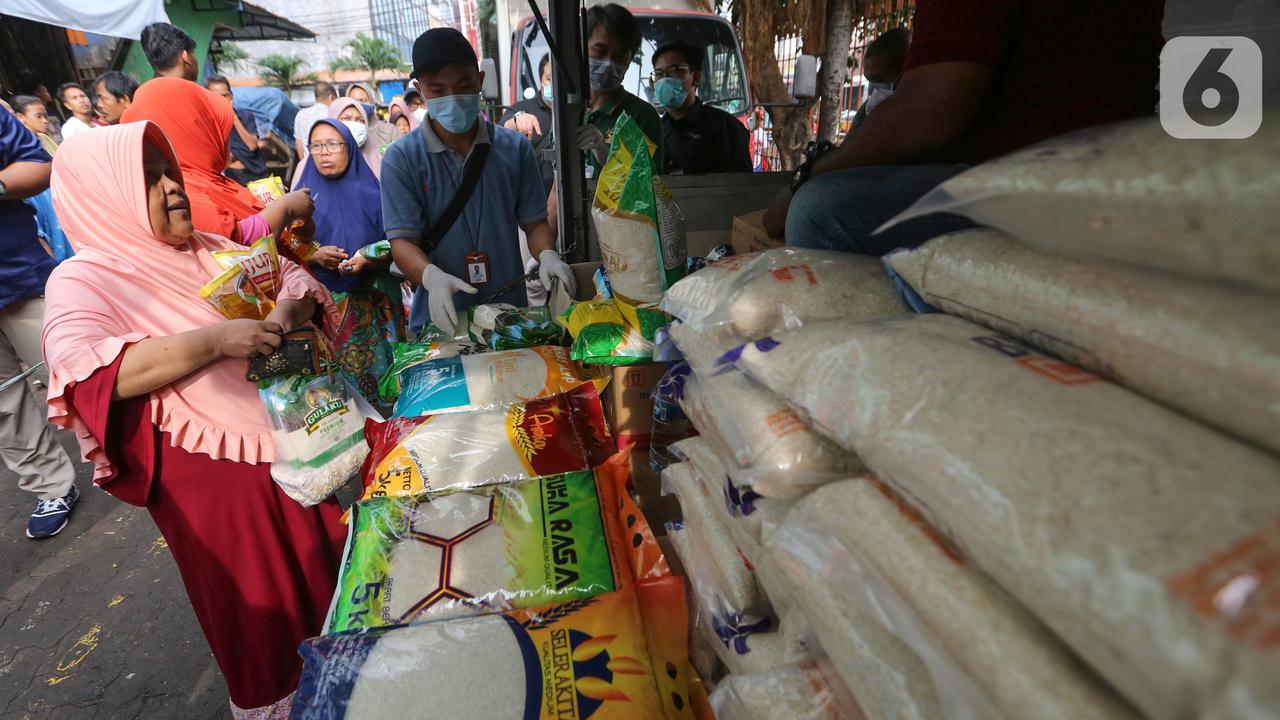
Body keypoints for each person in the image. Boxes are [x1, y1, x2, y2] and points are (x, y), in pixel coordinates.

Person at [42, 121, 345, 717]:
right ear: (106, 193)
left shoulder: (209, 247)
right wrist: (214, 342)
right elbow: (83, 371)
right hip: (221, 500)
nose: (171, 186)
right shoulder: (84, 279)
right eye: (148, 177)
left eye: (170, 171)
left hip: (307, 453)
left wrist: (280, 318)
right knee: (270, 626)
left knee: (341, 589)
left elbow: (290, 277)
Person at [763, 0, 1166, 254]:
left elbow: (926, 116)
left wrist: (804, 178)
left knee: (820, 211)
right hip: (1106, 166)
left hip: (1044, 181)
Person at [382, 28, 576, 336]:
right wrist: (431, 277)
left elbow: (535, 223)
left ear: (480, 81)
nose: (452, 97)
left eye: (463, 85)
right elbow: (402, 242)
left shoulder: (515, 149)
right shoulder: (401, 159)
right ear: (420, 91)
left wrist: (548, 255)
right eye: (437, 89)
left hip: (508, 317)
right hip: (442, 318)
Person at [0, 108, 80, 540]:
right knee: (3, 405)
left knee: (73, 371)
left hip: (18, 274)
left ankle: (129, 453)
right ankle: (51, 487)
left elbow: (39, 164)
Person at [292, 119, 405, 406]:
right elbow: (283, 243)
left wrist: (367, 257)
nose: (323, 152)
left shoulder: (376, 192)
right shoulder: (300, 198)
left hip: (378, 303)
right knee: (343, 387)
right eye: (315, 145)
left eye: (332, 144)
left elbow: (401, 239)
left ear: (350, 148)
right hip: (329, 304)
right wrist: (312, 254)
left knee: (390, 378)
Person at [122, 78, 314, 245]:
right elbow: (233, 242)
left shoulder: (208, 179)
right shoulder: (180, 190)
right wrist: (286, 207)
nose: (224, 140)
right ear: (193, 132)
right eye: (213, 127)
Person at [579, 4, 663, 177]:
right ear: (581, 49)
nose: (609, 62)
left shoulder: (642, 116)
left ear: (630, 59)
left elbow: (650, 186)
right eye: (599, 51)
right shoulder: (568, 110)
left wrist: (608, 155)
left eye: (619, 56)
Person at [651, 41, 751, 175]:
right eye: (659, 73)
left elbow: (744, 186)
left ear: (695, 78)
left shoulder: (727, 128)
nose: (665, 79)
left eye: (675, 70)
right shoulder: (652, 131)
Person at [500, 53, 555, 195]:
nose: (555, 84)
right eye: (549, 79)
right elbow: (499, 130)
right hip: (536, 202)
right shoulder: (523, 108)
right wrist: (517, 120)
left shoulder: (580, 110)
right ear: (541, 81)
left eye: (558, 78)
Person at [206, 74, 270, 186]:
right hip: (233, 176)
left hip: (258, 172)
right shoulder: (208, 123)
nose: (222, 100)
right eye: (217, 96)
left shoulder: (245, 116)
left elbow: (252, 145)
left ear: (231, 96)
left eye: (225, 95)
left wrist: (234, 118)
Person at [849, 28, 910, 131]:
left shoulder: (926, 114)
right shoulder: (865, 112)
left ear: (904, 71)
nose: (871, 90)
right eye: (869, 80)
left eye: (879, 79)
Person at [327, 97, 398, 177]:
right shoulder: (322, 155)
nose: (354, 124)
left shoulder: (375, 152)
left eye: (360, 120)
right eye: (346, 119)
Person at [295, 81, 337, 160]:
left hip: (309, 163)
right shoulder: (333, 113)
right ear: (331, 97)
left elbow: (298, 142)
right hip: (329, 162)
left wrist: (303, 164)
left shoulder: (301, 114)